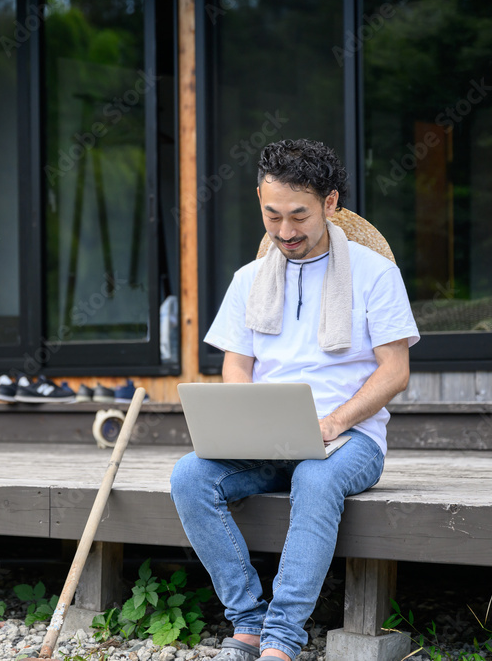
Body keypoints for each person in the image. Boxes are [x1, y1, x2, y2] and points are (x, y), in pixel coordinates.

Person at [170, 139, 420, 661]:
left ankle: (282, 638)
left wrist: (334, 422)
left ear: (330, 203)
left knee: (315, 476)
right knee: (190, 476)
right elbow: (237, 365)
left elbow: (395, 371)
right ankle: (247, 621)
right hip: (269, 440)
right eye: (273, 215)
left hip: (350, 439)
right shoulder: (247, 280)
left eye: (299, 215)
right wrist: (244, 423)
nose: (285, 231)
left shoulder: (375, 274)